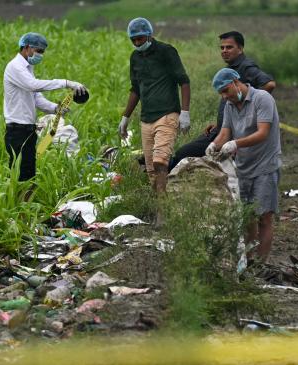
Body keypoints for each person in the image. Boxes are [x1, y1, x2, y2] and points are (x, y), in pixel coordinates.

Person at [169, 31, 276, 170]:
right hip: (222, 128)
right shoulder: (230, 68)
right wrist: (222, 121)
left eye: (229, 47)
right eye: (222, 48)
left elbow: (269, 84)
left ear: (241, 48)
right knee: (186, 154)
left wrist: (248, 112)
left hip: (234, 133)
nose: (224, 51)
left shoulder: (246, 66)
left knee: (186, 155)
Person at [206, 68, 282, 261]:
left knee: (264, 216)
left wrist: (236, 144)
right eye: (221, 93)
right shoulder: (230, 106)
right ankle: (248, 260)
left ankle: (261, 263)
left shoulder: (262, 99)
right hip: (243, 167)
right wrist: (214, 145)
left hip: (265, 165)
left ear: (235, 82)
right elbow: (225, 132)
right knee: (247, 217)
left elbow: (263, 132)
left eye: (225, 91)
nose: (224, 97)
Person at [118, 17, 190, 200]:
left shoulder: (166, 52)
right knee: (151, 170)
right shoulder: (135, 58)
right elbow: (136, 89)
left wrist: (185, 112)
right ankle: (163, 205)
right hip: (146, 118)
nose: (136, 43)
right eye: (133, 40)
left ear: (149, 35)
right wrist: (125, 117)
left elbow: (184, 81)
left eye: (140, 39)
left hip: (167, 113)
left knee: (160, 161)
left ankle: (161, 214)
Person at [3, 32, 87, 182]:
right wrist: (66, 83)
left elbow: (36, 98)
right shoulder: (15, 67)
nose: (41, 55)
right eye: (39, 51)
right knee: (20, 175)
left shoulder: (28, 69)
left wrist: (56, 109)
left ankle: (26, 204)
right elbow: (33, 86)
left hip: (28, 129)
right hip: (17, 130)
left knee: (29, 174)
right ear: (27, 48)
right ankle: (18, 203)